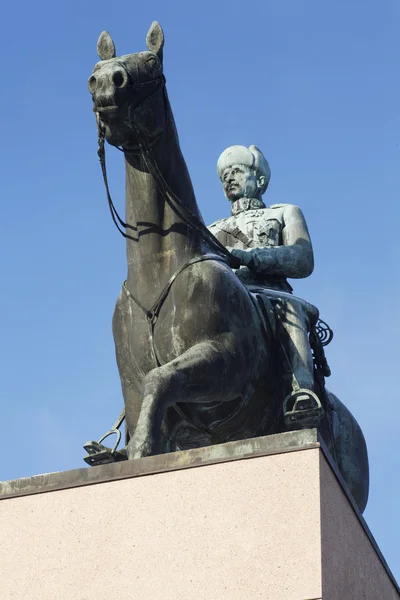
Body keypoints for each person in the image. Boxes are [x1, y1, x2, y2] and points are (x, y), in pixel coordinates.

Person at [209, 144, 324, 428]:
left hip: (270, 295)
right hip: (225, 300)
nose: (229, 178)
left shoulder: (285, 213)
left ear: (259, 180)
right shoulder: (211, 228)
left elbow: (302, 259)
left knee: (289, 310)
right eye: (225, 175)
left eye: (237, 171)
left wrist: (252, 257)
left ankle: (302, 389)